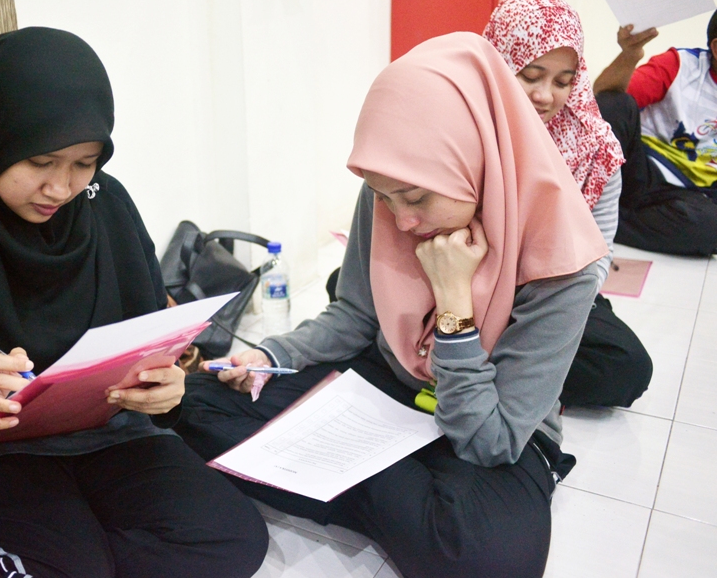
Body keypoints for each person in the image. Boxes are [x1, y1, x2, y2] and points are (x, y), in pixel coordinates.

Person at [0, 28, 268, 578]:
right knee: (69, 568)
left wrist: (167, 390)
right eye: (41, 161)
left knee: (232, 539)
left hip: (114, 437)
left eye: (85, 163)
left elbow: (151, 341)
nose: (61, 188)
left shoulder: (107, 206)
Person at [177, 33, 609, 578]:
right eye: (385, 197)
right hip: (390, 383)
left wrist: (454, 304)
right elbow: (356, 315)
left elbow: (490, 442)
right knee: (194, 402)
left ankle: (329, 472)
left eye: (417, 198)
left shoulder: (562, 258)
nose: (401, 220)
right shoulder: (387, 193)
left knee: (490, 560)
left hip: (489, 417)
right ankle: (383, 496)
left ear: (475, 159)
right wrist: (272, 355)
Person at [482, 0, 652, 408]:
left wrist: (556, 315)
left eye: (562, 82)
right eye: (530, 76)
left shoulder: (593, 147)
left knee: (625, 367)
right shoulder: (467, 129)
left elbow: (599, 250)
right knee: (373, 291)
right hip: (469, 287)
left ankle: (480, 362)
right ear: (497, 64)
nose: (545, 95)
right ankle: (513, 368)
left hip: (555, 291)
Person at [591, 9, 717, 255]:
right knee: (614, 104)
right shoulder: (679, 66)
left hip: (689, 197)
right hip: (638, 169)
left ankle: (599, 223)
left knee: (711, 228)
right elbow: (604, 97)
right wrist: (630, 54)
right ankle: (587, 206)